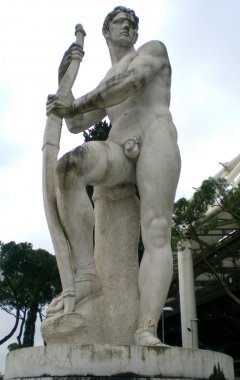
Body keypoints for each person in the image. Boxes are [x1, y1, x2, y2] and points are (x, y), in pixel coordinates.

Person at [46, 6, 181, 346]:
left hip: (155, 136)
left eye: (133, 23)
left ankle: (145, 327)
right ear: (106, 32)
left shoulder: (153, 50)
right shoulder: (106, 81)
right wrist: (63, 83)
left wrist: (73, 106)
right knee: (69, 167)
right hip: (120, 148)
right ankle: (86, 274)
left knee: (157, 230)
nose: (130, 27)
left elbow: (131, 83)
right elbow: (77, 124)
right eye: (121, 22)